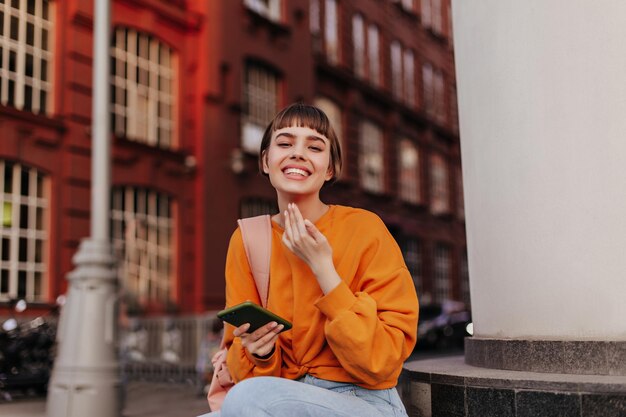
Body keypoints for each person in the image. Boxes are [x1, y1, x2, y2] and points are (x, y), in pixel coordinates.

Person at [214, 103, 418, 416]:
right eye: (284, 143)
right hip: (277, 395)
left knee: (248, 399)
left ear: (330, 169)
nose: (297, 153)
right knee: (246, 398)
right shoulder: (247, 239)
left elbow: (384, 360)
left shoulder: (364, 228)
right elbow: (241, 364)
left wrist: (323, 268)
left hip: (363, 401)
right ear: (266, 161)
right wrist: (261, 353)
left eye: (314, 146)